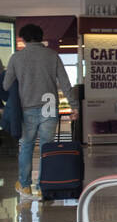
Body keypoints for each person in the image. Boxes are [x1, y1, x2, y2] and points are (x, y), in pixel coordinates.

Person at [4, 23, 78, 200]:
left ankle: (25, 185)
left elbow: (6, 85)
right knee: (47, 148)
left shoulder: (16, 58)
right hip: (50, 107)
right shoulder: (52, 56)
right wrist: (74, 106)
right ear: (40, 37)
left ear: (23, 38)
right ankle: (43, 185)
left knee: (27, 146)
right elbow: (66, 84)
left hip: (26, 108)